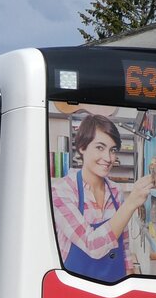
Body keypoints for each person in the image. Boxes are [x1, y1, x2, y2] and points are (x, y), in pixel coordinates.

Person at [52, 114, 150, 283]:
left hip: (114, 285)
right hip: (75, 286)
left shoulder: (116, 191)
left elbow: (124, 245)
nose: (108, 158)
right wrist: (131, 204)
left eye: (112, 150)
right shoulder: (62, 191)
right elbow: (92, 245)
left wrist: (131, 281)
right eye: (100, 147)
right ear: (82, 147)